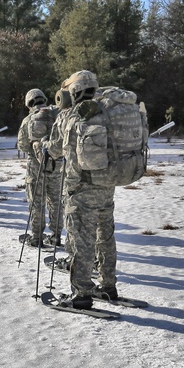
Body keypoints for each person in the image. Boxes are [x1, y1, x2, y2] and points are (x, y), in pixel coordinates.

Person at [41, 70, 119, 309]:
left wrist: (43, 145)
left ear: (73, 91)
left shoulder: (70, 116)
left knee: (82, 240)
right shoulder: (108, 113)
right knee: (105, 237)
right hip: (107, 187)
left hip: (80, 190)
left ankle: (81, 294)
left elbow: (55, 150)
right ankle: (108, 286)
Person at [18, 88, 63, 247]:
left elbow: (22, 145)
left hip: (36, 167)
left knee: (36, 202)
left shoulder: (29, 119)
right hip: (57, 166)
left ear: (29, 103)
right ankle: (56, 236)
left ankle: (37, 237)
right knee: (56, 201)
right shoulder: (57, 114)